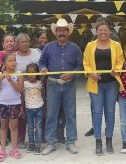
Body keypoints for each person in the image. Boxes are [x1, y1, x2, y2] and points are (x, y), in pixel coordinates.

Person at [39, 18, 83, 155]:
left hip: (69, 85)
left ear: (68, 32)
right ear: (55, 32)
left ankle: (71, 142)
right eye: (59, 30)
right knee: (52, 114)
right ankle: (51, 143)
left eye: (64, 30)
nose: (61, 32)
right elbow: (41, 62)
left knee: (71, 114)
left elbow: (80, 66)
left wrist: (72, 74)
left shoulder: (75, 48)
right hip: (52, 84)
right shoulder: (48, 47)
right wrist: (43, 68)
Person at [83, 20, 124, 155]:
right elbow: (86, 62)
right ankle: (98, 141)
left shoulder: (116, 45)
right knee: (97, 112)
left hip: (112, 83)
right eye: (100, 30)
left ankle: (109, 140)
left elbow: (120, 61)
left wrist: (116, 70)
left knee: (110, 112)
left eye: (105, 30)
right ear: (97, 32)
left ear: (109, 31)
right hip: (96, 84)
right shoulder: (90, 45)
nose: (103, 32)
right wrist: (91, 73)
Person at [0, 54, 24, 161]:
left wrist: (11, 80)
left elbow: (20, 89)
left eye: (14, 60)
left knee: (14, 127)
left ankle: (14, 149)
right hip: (2, 104)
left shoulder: (19, 74)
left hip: (15, 104)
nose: (13, 63)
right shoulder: (0, 74)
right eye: (10, 61)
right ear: (4, 63)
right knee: (3, 126)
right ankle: (2, 150)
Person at [15, 33, 42, 149]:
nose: (24, 44)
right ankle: (21, 139)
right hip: (21, 87)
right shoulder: (14, 55)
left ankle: (40, 139)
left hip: (37, 86)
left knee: (40, 111)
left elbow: (44, 64)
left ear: (29, 42)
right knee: (22, 113)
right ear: (17, 44)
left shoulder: (37, 52)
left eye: (26, 41)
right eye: (22, 42)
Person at [24, 63, 44, 155]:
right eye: (29, 72)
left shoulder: (40, 83)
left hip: (39, 108)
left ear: (37, 73)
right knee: (30, 127)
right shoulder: (24, 83)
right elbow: (21, 97)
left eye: (33, 72)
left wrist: (45, 107)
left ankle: (38, 145)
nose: (31, 75)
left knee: (39, 127)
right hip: (29, 109)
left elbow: (43, 95)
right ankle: (31, 144)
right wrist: (21, 109)